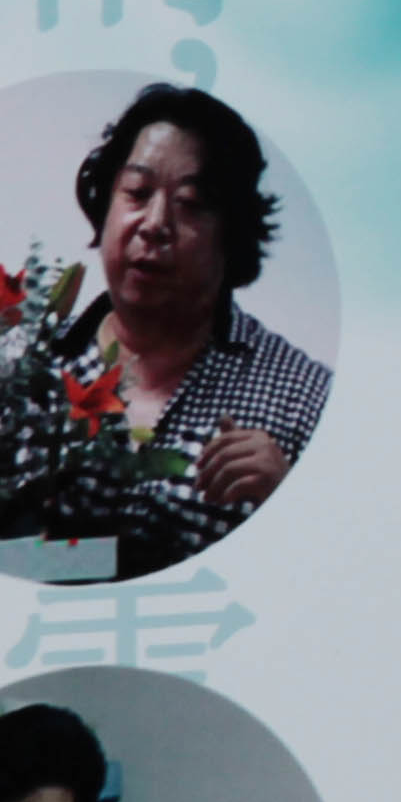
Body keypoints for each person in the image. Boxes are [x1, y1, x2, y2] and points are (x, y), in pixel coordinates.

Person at [63, 85, 332, 571]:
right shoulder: (23, 373)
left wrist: (291, 503)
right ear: (105, 205)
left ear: (233, 236)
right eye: (137, 193)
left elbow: (355, 575)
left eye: (190, 203)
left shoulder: (307, 400)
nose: (155, 224)